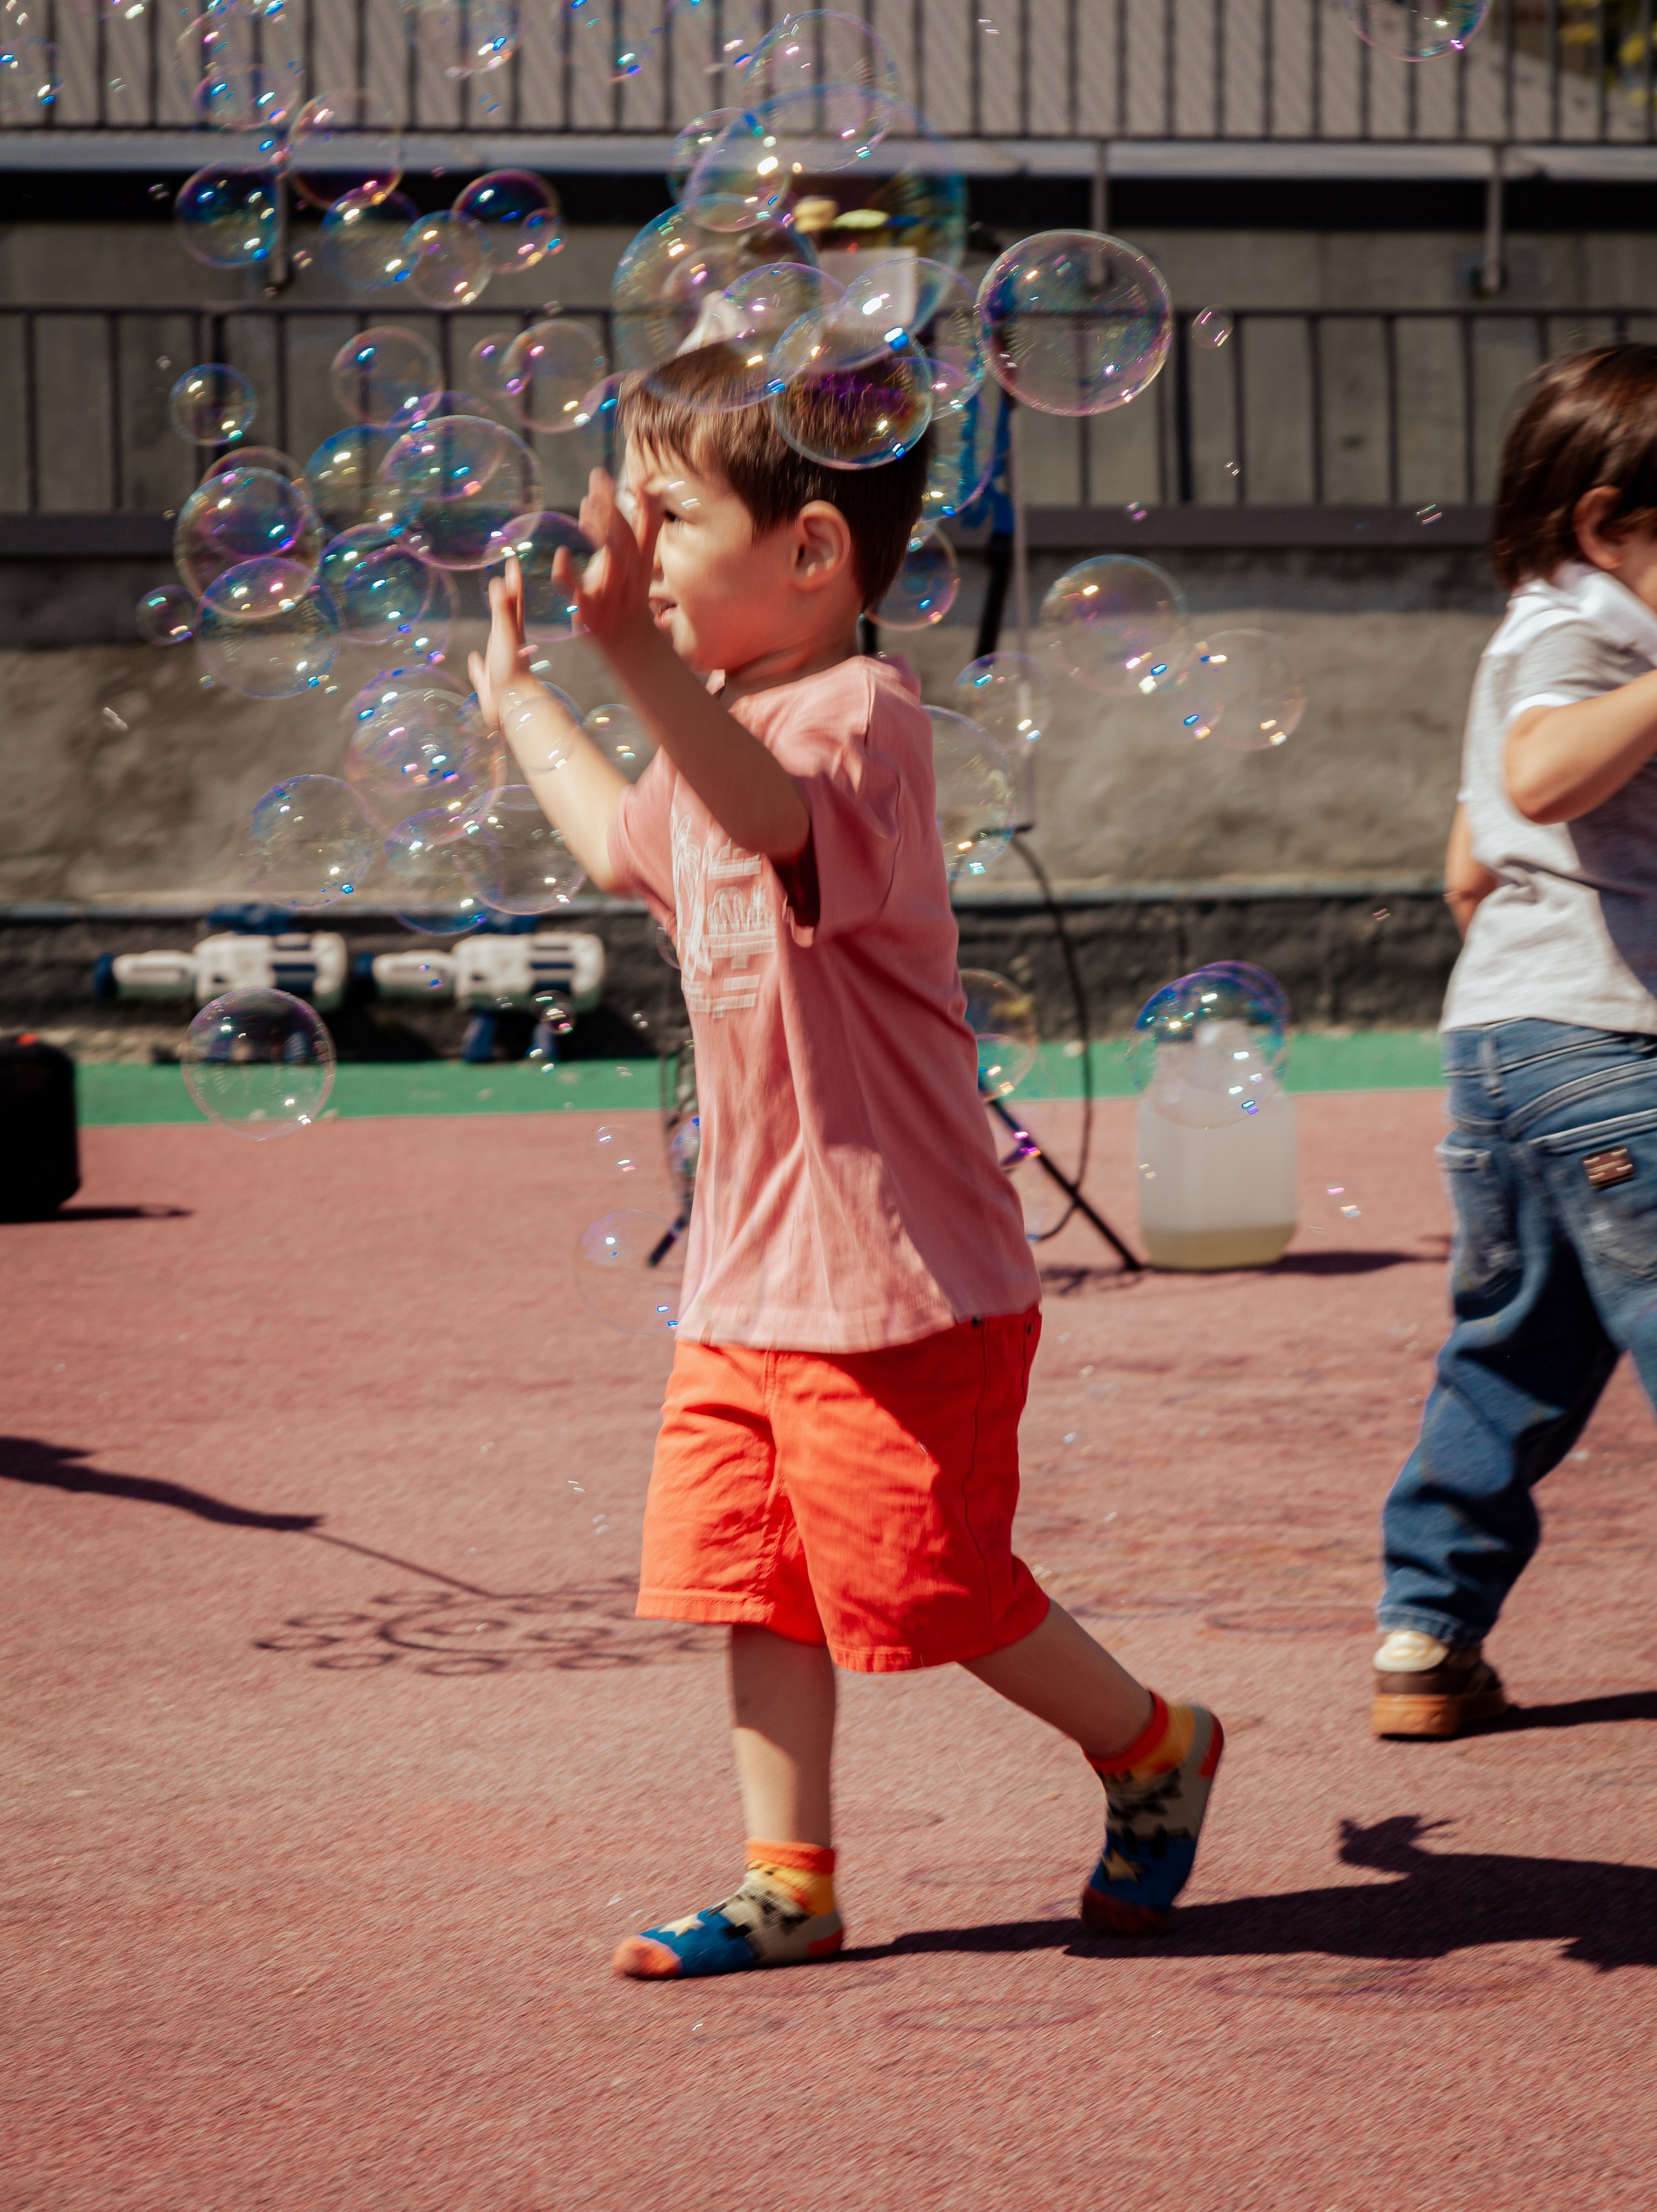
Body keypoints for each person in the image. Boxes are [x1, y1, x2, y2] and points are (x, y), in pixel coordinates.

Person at [469, 344, 1224, 1976]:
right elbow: (631, 842)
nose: (638, 552)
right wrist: (531, 697)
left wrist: (623, 661)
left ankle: (1150, 1741)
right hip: (749, 1268)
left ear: (811, 553)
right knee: (753, 1576)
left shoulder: (859, 720)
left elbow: (763, 818)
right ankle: (788, 1880)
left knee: (929, 1586)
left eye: (667, 517)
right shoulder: (716, 731)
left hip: (893, 1278)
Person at [1375, 342, 1657, 1738]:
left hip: (1502, 1054)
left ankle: (1424, 1636)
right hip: (1609, 1056)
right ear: (1609, 525)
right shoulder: (1592, 634)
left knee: (1510, 1356)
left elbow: (1470, 863)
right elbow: (1544, 775)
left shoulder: (1530, 631)